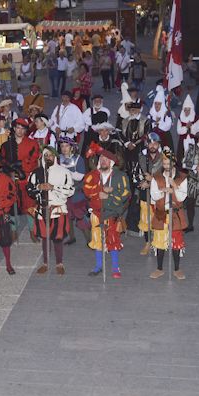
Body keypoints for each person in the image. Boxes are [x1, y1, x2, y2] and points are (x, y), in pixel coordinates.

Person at [27, 146, 74, 275]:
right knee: (45, 237)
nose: (48, 157)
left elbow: (70, 190)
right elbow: (29, 189)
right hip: (43, 210)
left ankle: (59, 263)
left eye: (50, 155)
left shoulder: (64, 172)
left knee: (58, 238)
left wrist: (53, 187)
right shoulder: (36, 173)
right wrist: (39, 186)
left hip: (57, 210)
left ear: (55, 157)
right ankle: (45, 263)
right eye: (46, 155)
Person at [83, 149, 130, 278]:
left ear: (111, 162)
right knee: (98, 240)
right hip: (97, 214)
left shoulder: (120, 176)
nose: (103, 161)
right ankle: (98, 266)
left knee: (113, 240)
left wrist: (109, 196)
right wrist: (100, 191)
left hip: (112, 214)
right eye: (101, 159)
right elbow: (86, 189)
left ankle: (115, 267)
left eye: (106, 160)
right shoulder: (93, 175)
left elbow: (125, 193)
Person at [0, 118, 41, 241]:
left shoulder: (32, 143)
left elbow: (33, 160)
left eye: (23, 128)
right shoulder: (6, 145)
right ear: (13, 128)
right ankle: (13, 231)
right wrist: (10, 168)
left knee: (30, 206)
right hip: (11, 180)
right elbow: (2, 161)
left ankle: (33, 231)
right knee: (11, 207)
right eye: (18, 127)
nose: (20, 130)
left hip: (26, 180)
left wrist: (20, 165)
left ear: (26, 130)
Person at [150, 150, 188, 280]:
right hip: (162, 213)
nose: (166, 165)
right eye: (165, 162)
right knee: (160, 243)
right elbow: (154, 194)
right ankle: (159, 268)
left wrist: (174, 188)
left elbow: (182, 196)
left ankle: (177, 269)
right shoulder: (157, 177)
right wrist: (164, 191)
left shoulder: (181, 177)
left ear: (173, 162)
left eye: (169, 162)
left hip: (175, 214)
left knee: (176, 243)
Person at [117, 101, 149, 235]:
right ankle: (123, 222)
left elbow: (146, 135)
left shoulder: (145, 121)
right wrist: (127, 143)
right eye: (131, 110)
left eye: (135, 109)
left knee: (139, 189)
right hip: (126, 154)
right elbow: (119, 133)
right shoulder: (124, 121)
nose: (133, 112)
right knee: (126, 189)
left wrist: (135, 143)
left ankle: (140, 222)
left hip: (139, 153)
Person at [138, 132, 165, 255]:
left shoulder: (165, 158)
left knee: (159, 218)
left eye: (155, 143)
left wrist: (152, 182)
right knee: (146, 219)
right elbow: (136, 174)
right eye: (150, 143)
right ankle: (147, 242)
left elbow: (167, 176)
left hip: (159, 194)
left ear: (158, 144)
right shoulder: (141, 157)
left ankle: (158, 243)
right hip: (145, 194)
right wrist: (143, 182)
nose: (152, 146)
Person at [58, 137, 88, 246]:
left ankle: (89, 239)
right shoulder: (59, 159)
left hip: (77, 192)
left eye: (66, 146)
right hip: (64, 192)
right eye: (62, 146)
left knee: (80, 216)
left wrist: (66, 172)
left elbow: (80, 176)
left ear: (71, 147)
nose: (64, 148)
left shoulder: (78, 159)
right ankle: (72, 237)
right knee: (68, 216)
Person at [176, 95, 199, 165]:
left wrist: (192, 127)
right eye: (185, 110)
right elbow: (178, 131)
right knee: (182, 156)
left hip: (193, 140)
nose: (187, 112)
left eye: (188, 110)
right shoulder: (180, 118)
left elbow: (198, 130)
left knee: (194, 157)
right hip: (183, 140)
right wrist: (186, 127)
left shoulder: (196, 119)